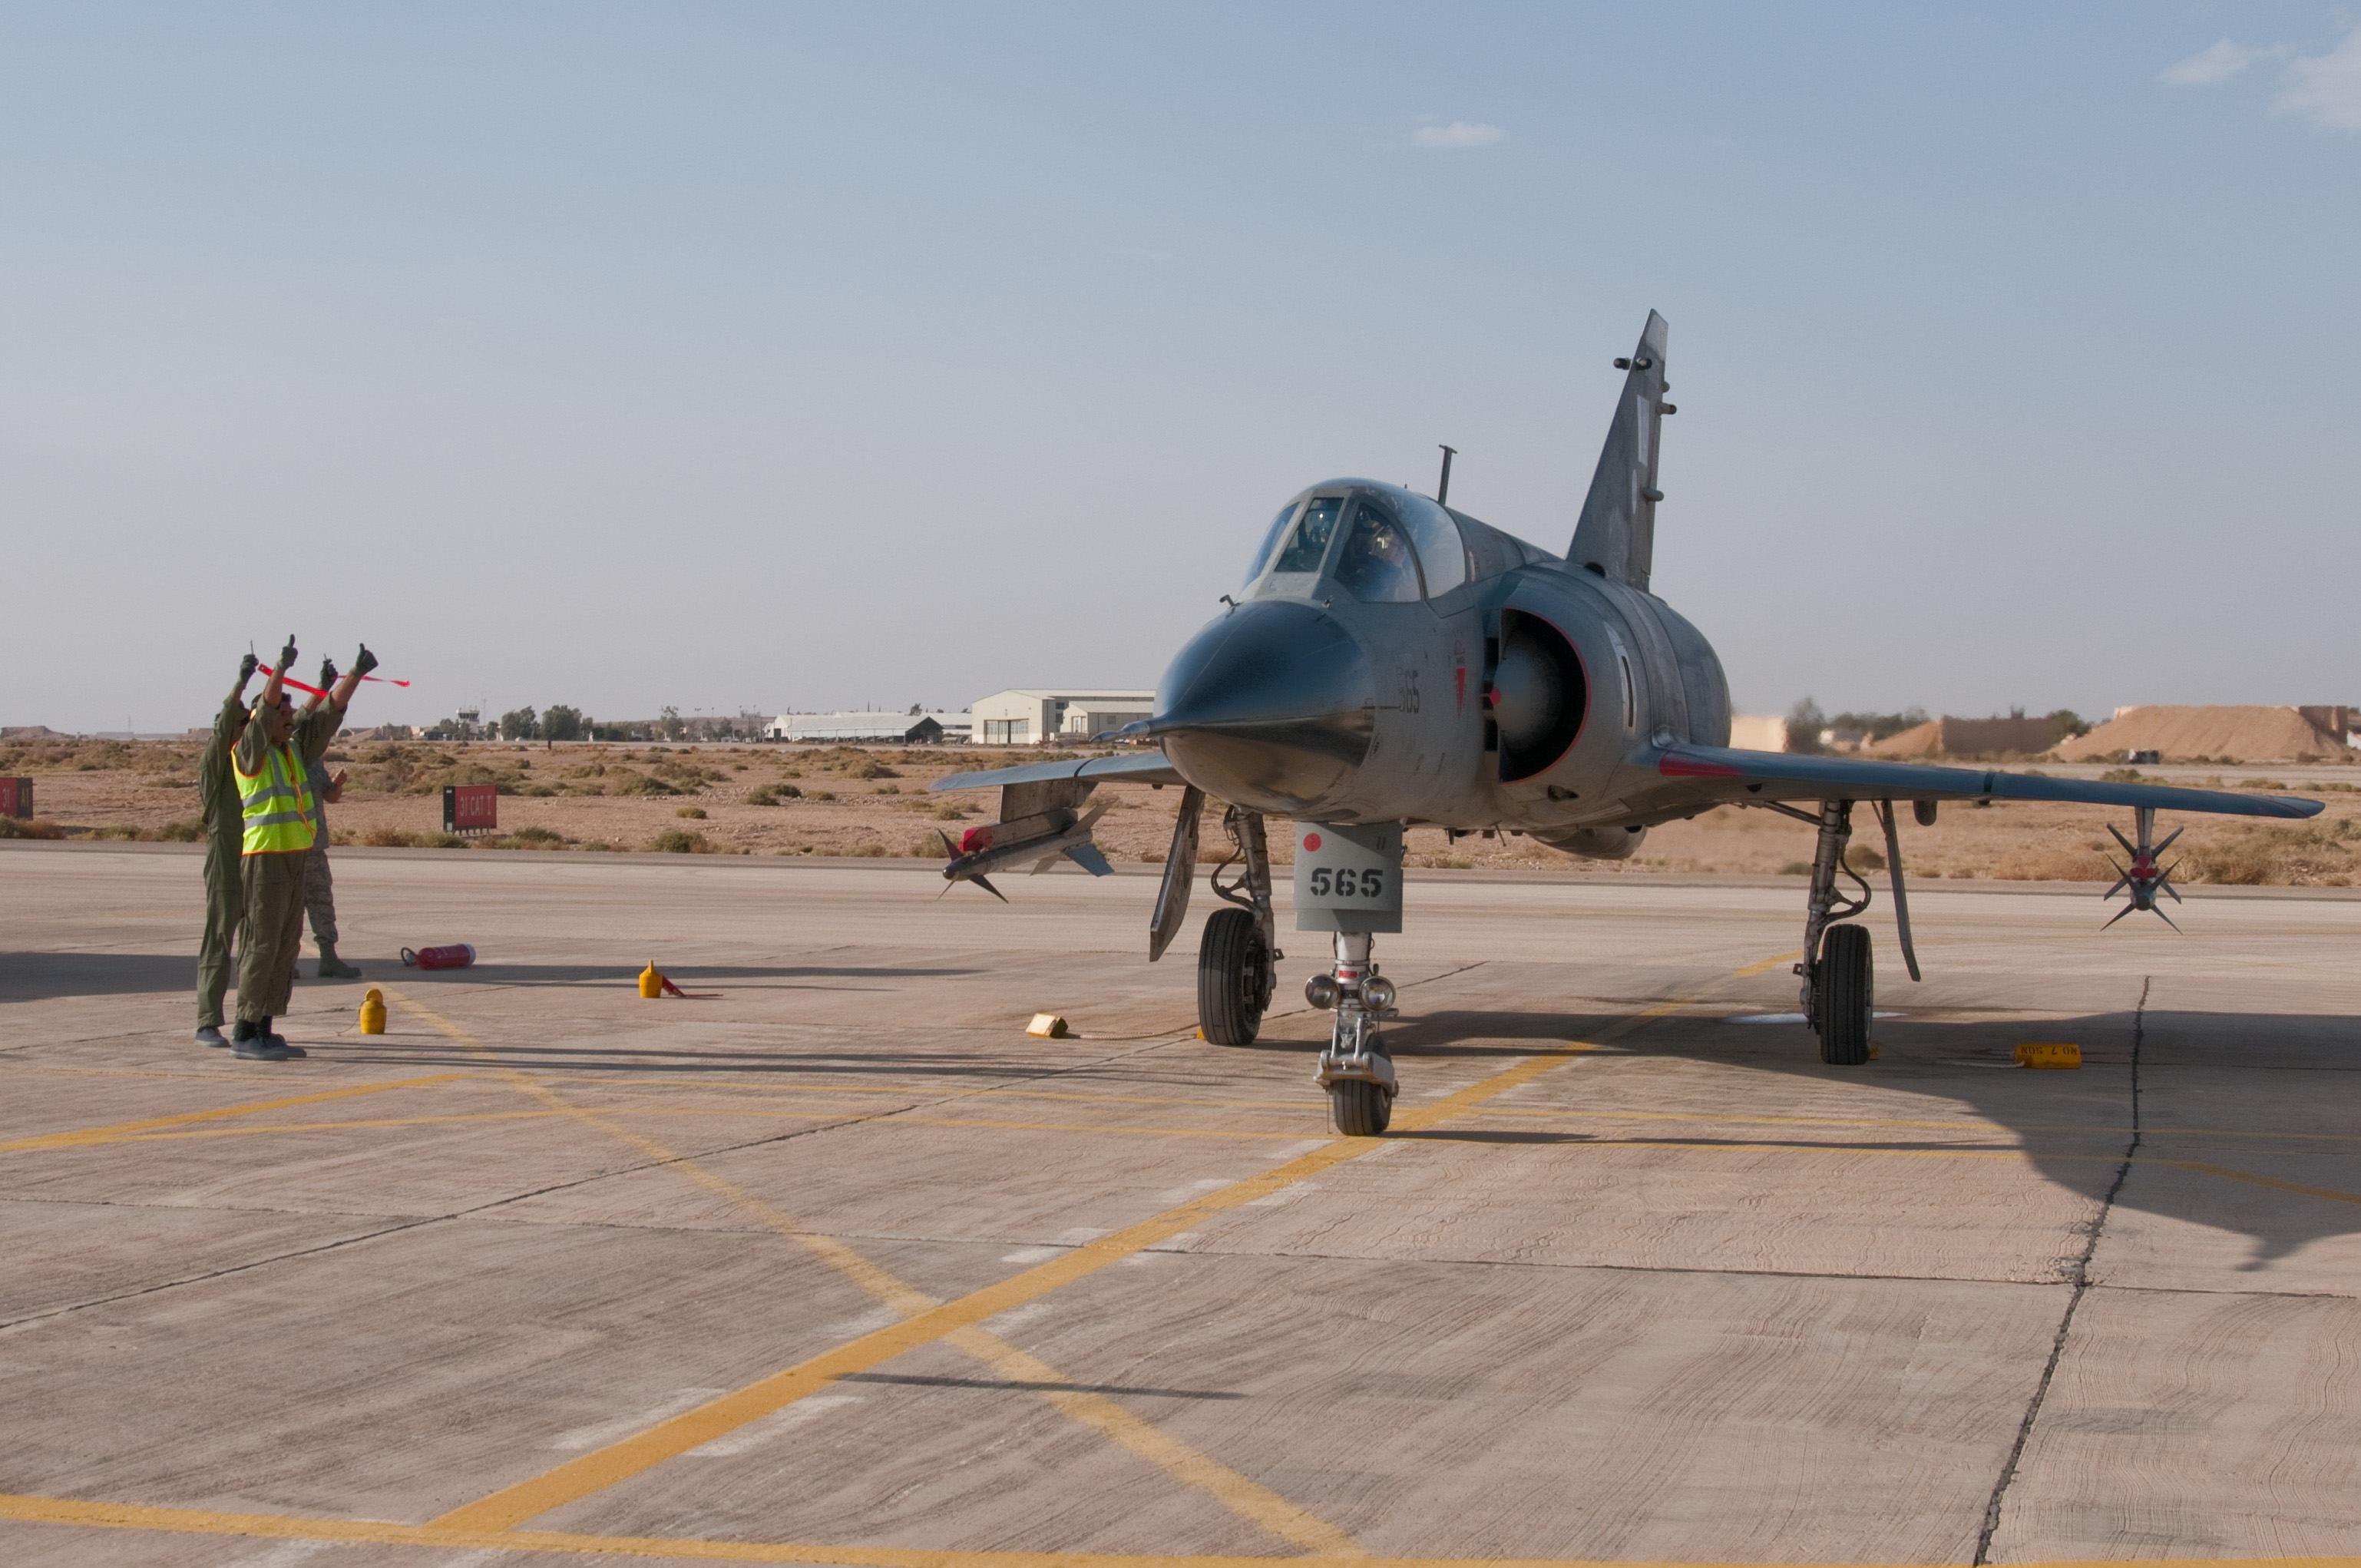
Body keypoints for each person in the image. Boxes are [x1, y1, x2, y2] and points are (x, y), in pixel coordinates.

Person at [230, 637, 373, 1060]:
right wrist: (278, 667)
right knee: (262, 945)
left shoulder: (291, 752)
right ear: (264, 718)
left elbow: (327, 716)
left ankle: (265, 1026)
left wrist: (356, 675)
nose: (292, 718)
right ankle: (244, 1028)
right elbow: (268, 711)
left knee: (286, 946)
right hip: (265, 861)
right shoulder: (250, 751)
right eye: (285, 713)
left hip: (293, 860)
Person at [193, 653, 260, 1047]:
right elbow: (221, 733)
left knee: (255, 942)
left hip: (256, 856)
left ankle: (249, 1022)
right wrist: (241, 684)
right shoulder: (215, 766)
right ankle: (206, 1020)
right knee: (219, 937)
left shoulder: (253, 762)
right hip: (225, 854)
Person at [299, 656, 361, 981]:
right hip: (287, 846)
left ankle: (328, 955)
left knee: (322, 902)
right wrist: (323, 688)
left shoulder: (312, 761)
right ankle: (285, 962)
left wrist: (337, 787)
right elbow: (305, 716)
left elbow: (329, 796)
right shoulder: (282, 753)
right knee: (286, 909)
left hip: (315, 845)